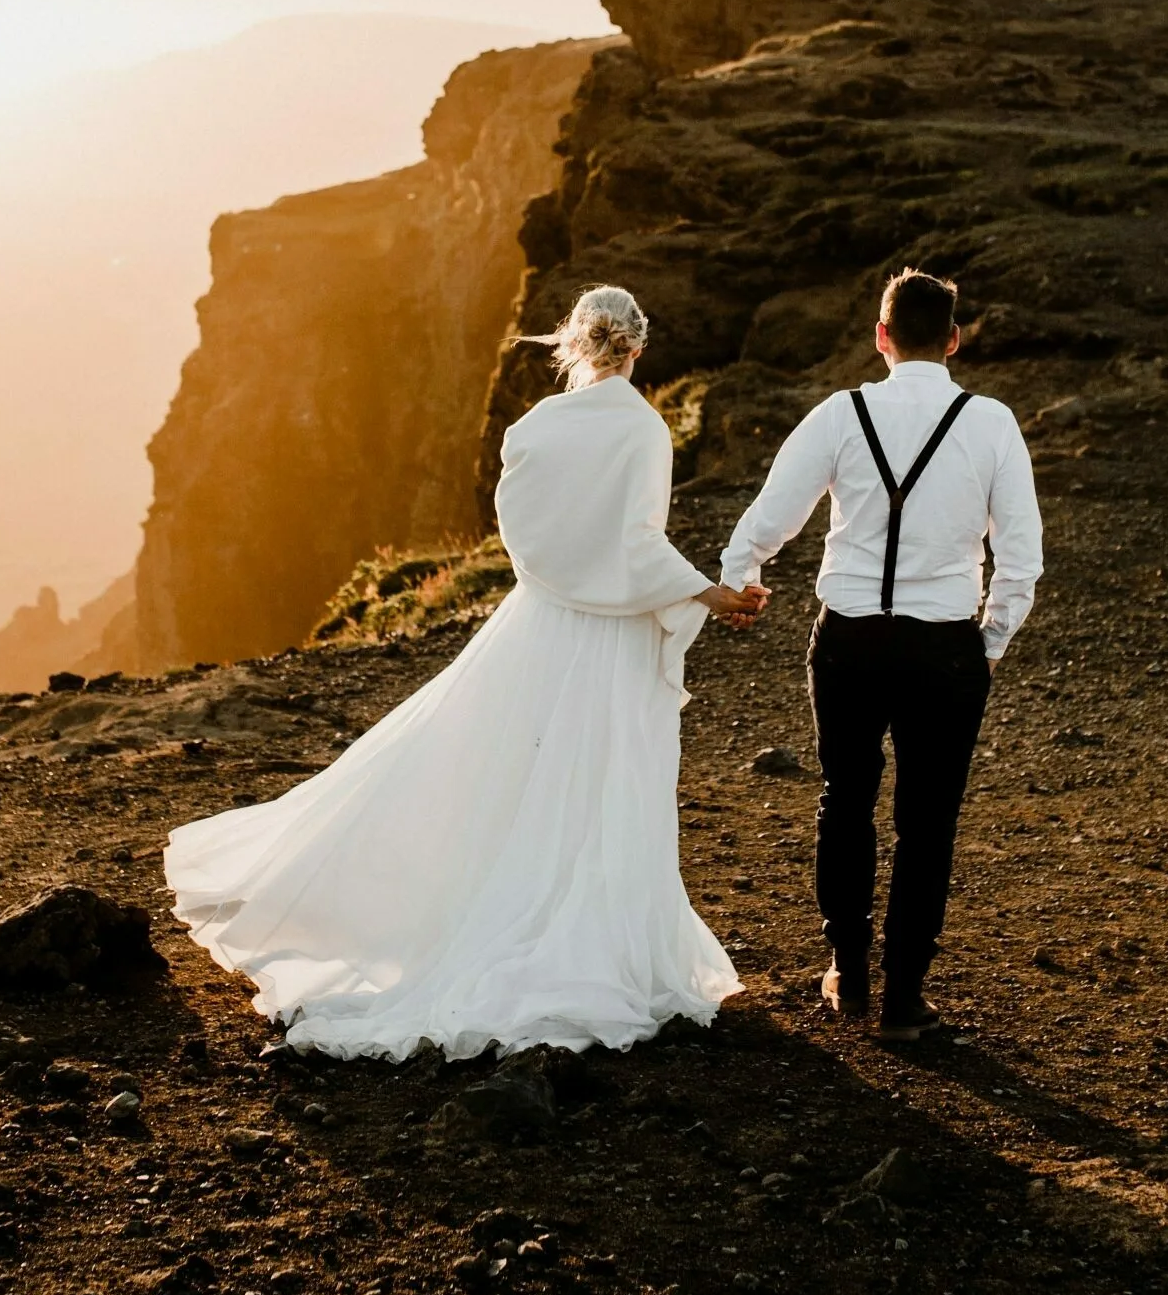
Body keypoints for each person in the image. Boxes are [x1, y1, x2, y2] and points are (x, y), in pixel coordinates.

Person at [163, 286, 765, 1059]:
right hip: (606, 640)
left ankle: (459, 912)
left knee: (499, 770)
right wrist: (710, 594)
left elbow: (523, 532)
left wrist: (563, 578)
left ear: (572, 343)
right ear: (638, 348)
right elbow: (638, 543)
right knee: (598, 779)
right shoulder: (642, 430)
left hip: (537, 622)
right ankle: (585, 938)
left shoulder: (536, 427)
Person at [718, 268, 1043, 1041]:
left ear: (880, 335)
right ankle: (904, 998)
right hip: (944, 646)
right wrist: (989, 637)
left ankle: (847, 969)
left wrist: (741, 579)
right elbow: (1021, 551)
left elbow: (772, 513)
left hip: (851, 640)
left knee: (845, 799)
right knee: (927, 821)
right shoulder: (991, 421)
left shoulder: (841, 412)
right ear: (954, 339)